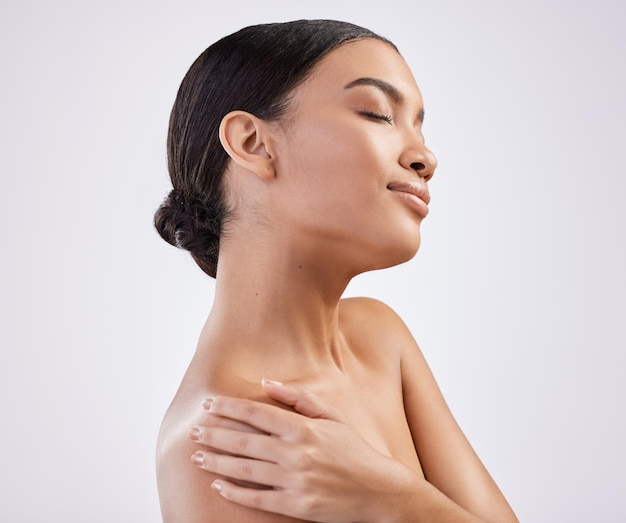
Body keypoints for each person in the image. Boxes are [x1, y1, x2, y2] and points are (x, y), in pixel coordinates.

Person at [154, 19, 518, 523]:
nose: (425, 156)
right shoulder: (227, 443)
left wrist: (393, 498)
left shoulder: (379, 339)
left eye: (419, 124)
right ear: (253, 143)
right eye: (377, 113)